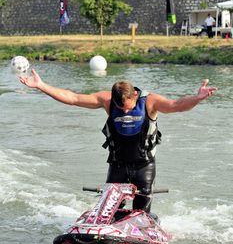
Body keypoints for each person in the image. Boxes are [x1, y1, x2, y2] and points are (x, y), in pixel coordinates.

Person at [19, 70, 217, 213]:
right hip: (117, 165)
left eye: (128, 108)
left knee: (140, 212)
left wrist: (197, 98)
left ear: (135, 96)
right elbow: (73, 98)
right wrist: (41, 86)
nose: (125, 112)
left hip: (144, 166)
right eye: (120, 109)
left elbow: (177, 105)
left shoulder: (149, 102)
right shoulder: (107, 100)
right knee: (109, 211)